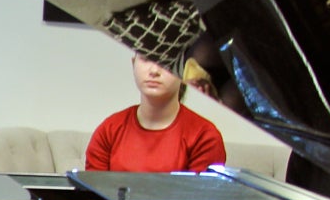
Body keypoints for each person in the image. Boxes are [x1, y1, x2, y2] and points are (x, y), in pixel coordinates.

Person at [84, 53, 226, 172]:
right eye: (146, 58)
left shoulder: (205, 137)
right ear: (133, 63)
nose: (154, 71)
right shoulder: (108, 130)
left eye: (166, 61)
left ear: (184, 70)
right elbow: (92, 198)